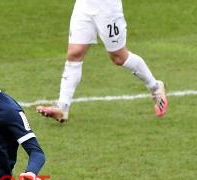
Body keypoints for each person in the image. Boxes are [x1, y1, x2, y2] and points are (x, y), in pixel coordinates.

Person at [36, 0, 167, 123]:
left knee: (119, 57)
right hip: (84, 5)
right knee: (75, 53)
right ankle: (62, 107)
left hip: (108, 9)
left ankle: (155, 87)